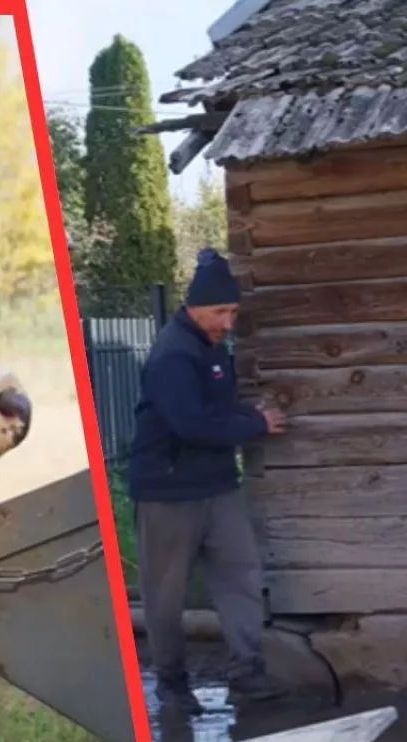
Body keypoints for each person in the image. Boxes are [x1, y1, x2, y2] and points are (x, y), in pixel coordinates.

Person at [127, 248, 289, 716]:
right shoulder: (173, 355)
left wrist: (250, 416)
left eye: (233, 312)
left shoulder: (213, 349)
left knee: (241, 576)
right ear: (193, 307)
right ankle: (174, 687)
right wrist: (255, 426)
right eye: (220, 312)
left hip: (217, 488)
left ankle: (247, 674)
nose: (228, 322)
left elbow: (218, 412)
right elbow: (191, 425)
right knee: (165, 595)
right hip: (168, 491)